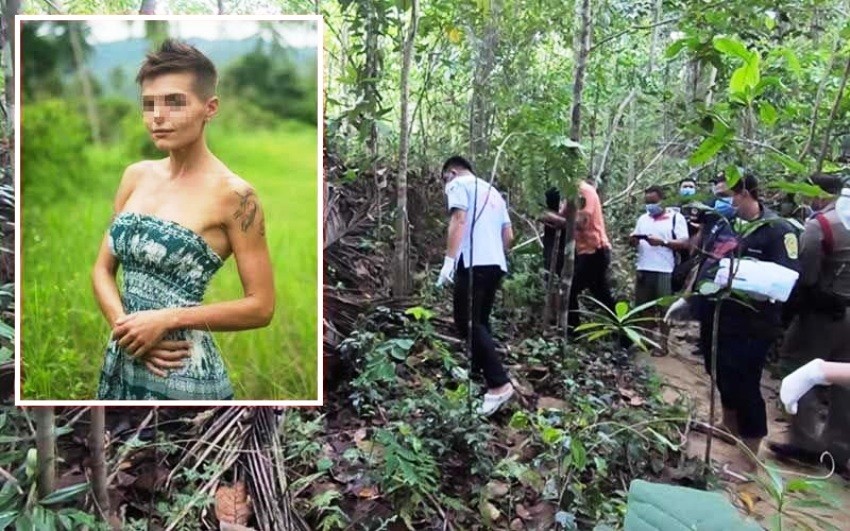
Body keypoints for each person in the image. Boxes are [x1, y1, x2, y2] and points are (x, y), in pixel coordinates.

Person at [92, 40, 275, 400]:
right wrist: (125, 330)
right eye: (149, 104)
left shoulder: (236, 196)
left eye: (174, 102)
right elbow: (101, 270)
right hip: (126, 352)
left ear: (210, 108)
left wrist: (166, 319)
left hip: (182, 371)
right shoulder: (135, 176)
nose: (158, 116)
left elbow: (261, 306)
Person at [689, 171, 800, 475]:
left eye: (728, 195)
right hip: (718, 314)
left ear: (746, 194)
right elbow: (705, 263)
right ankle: (728, 424)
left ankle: (750, 452)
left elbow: (788, 277)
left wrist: (748, 280)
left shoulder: (778, 230)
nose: (723, 200)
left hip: (753, 323)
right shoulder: (722, 225)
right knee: (717, 370)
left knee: (746, 382)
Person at [768, 173, 850, 471]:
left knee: (799, 365)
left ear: (819, 193)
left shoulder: (821, 226)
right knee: (844, 378)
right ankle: (839, 449)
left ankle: (805, 442)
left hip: (824, 313)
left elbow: (807, 275)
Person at [436, 155, 514, 416]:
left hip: (472, 262)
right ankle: (476, 371)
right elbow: (509, 236)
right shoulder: (493, 192)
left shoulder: (458, 184)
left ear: (453, 172)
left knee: (467, 321)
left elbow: (458, 220)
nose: (445, 184)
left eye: (445, 178)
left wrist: (449, 261)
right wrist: (493, 253)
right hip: (495, 264)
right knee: (481, 320)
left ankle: (499, 384)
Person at [542, 179, 615, 337]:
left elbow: (581, 222)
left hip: (595, 250)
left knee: (569, 289)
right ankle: (623, 332)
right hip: (586, 252)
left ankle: (572, 332)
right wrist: (545, 216)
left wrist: (551, 217)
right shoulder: (571, 195)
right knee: (602, 294)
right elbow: (563, 220)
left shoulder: (585, 192)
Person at [629, 186, 690, 353]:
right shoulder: (643, 219)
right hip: (644, 267)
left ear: (663, 200)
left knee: (664, 309)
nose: (650, 206)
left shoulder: (675, 218)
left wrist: (663, 242)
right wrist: (633, 240)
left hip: (665, 269)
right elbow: (635, 239)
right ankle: (647, 340)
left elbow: (685, 243)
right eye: (647, 202)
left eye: (653, 202)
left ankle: (663, 344)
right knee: (644, 307)